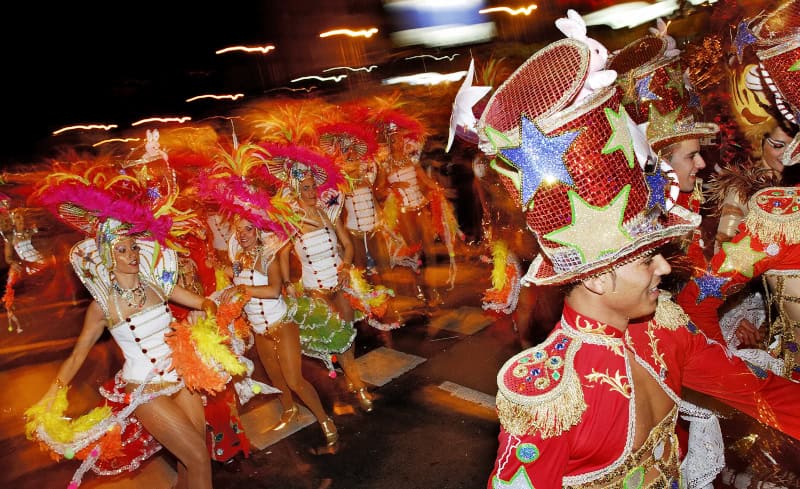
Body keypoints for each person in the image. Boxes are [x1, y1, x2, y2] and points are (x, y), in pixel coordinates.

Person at [469, 33, 800, 489]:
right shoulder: (549, 395)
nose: (664, 269)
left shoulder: (664, 328)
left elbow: (759, 390)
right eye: (647, 260)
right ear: (600, 278)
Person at [26, 172, 226, 489]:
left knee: (193, 458)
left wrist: (206, 325)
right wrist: (50, 396)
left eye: (134, 249)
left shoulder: (159, 286)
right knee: (199, 459)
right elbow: (77, 356)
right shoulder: (103, 307)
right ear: (108, 256)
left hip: (183, 378)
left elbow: (206, 304)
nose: (131, 256)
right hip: (144, 389)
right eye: (122, 250)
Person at [267, 144, 375, 413]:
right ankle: (355, 383)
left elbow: (347, 245)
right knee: (335, 339)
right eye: (305, 188)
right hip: (315, 291)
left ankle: (353, 381)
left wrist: (346, 267)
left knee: (348, 337)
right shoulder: (290, 221)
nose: (312, 192)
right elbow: (281, 256)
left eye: (313, 186)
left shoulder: (329, 211)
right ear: (295, 191)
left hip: (339, 284)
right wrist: (286, 284)